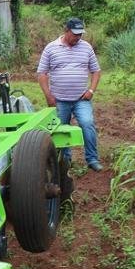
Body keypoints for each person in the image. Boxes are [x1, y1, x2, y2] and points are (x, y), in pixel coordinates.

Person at [36, 17, 103, 171]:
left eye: (80, 34)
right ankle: (64, 161)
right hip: (59, 100)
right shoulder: (51, 48)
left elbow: (96, 71)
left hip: (81, 99)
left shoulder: (86, 48)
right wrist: (48, 96)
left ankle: (92, 159)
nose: (78, 37)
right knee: (61, 130)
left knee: (87, 123)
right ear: (66, 31)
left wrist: (91, 90)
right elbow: (42, 74)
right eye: (75, 34)